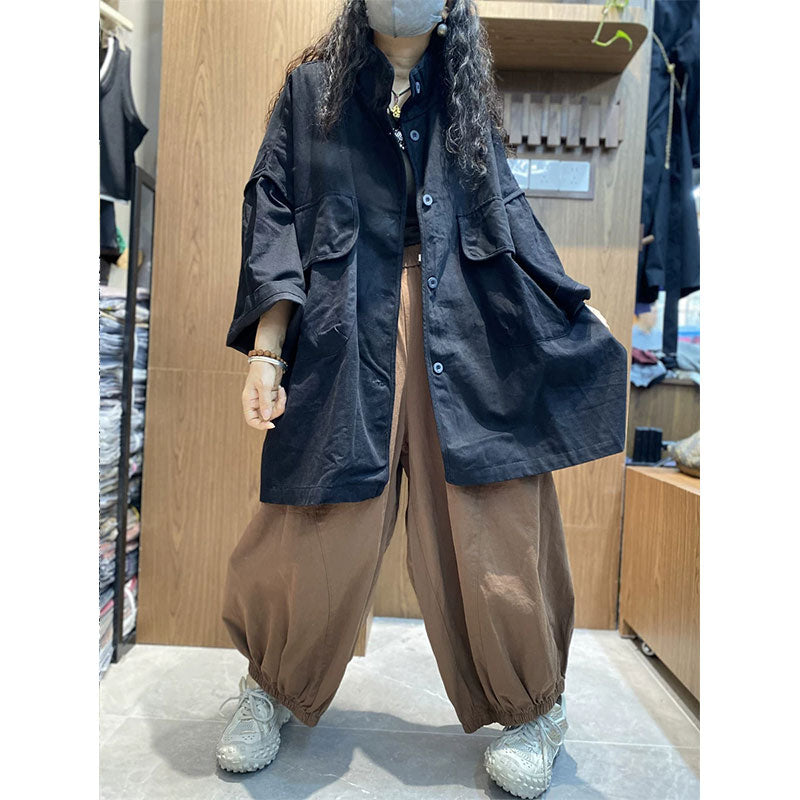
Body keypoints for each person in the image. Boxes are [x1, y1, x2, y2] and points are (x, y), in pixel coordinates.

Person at [215, 2, 627, 798]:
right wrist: (267, 351)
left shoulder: (464, 92)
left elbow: (507, 214)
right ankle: (269, 688)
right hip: (344, 326)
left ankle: (535, 709)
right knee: (318, 517)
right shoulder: (313, 91)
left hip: (465, 322)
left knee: (494, 514)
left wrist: (567, 303)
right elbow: (273, 213)